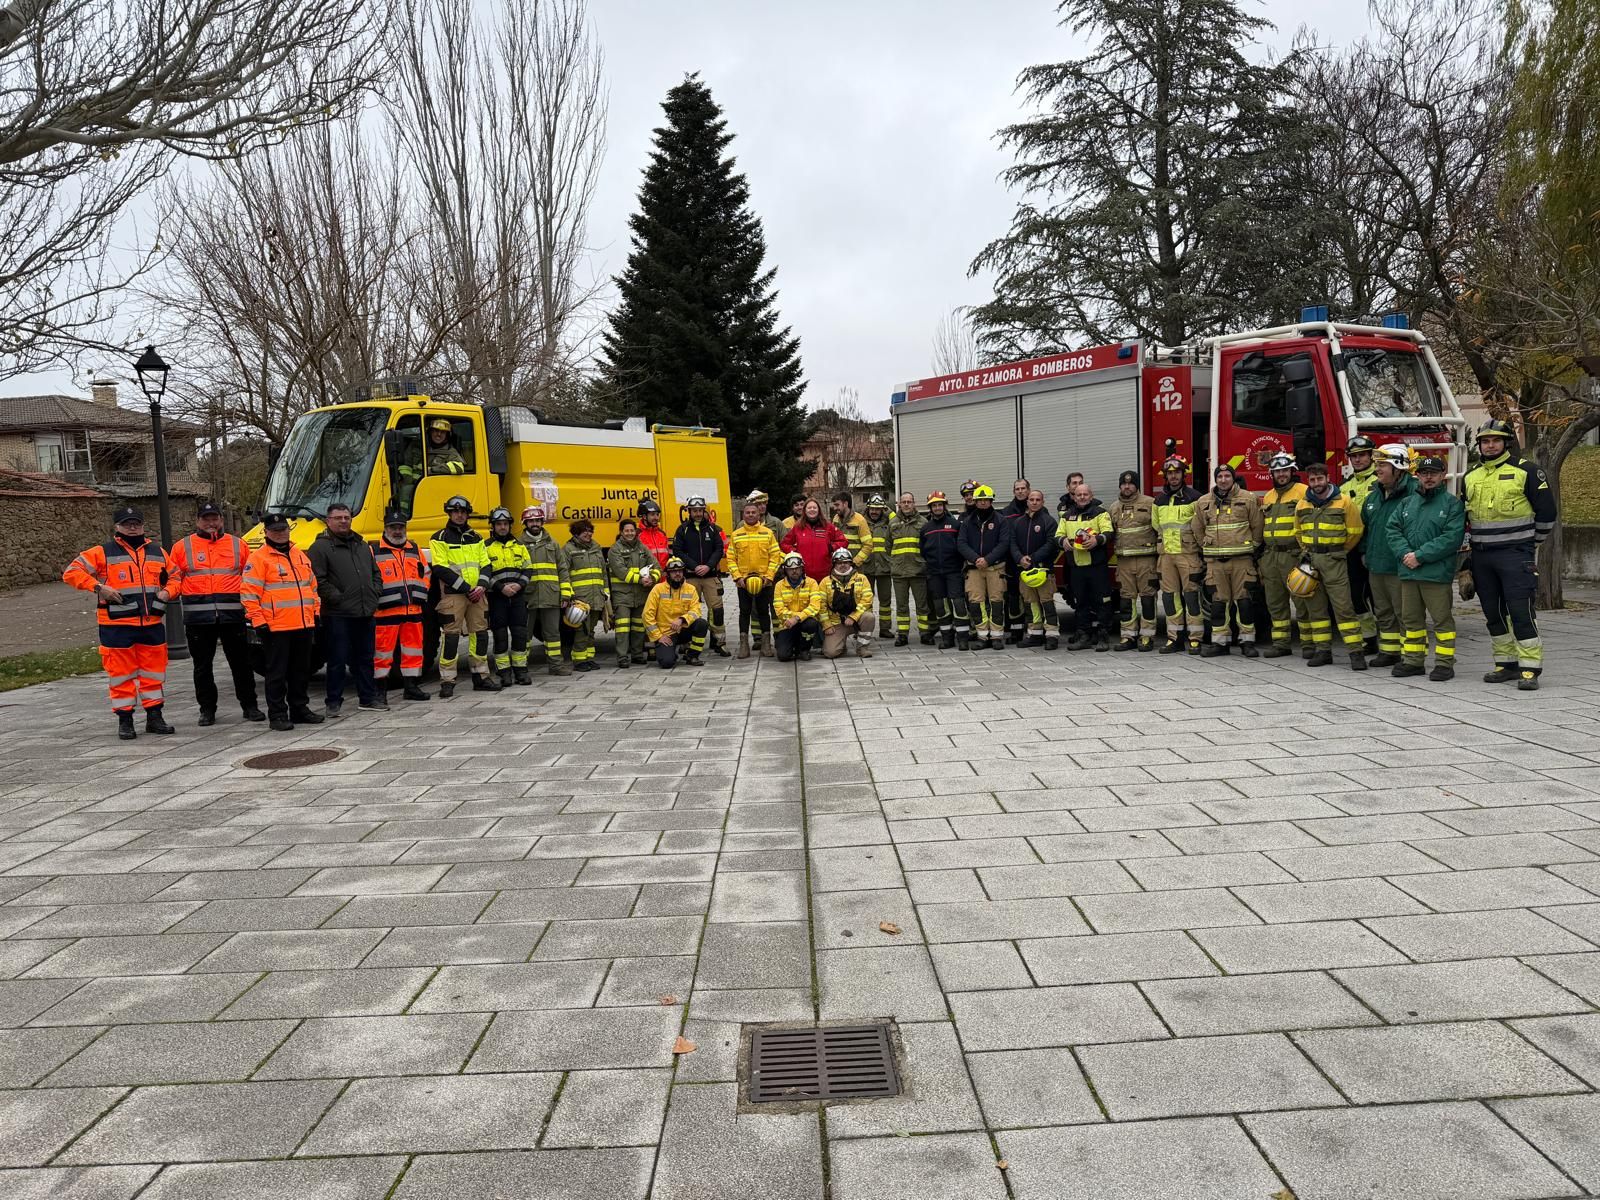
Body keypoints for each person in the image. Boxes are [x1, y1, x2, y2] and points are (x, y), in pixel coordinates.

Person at [63, 506, 178, 739]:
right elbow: (71, 572)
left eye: (136, 522)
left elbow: (176, 576)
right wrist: (98, 587)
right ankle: (125, 720)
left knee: (153, 674)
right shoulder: (101, 552)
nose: (132, 527)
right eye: (127, 523)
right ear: (117, 527)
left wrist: (169, 592)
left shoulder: (158, 552)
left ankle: (154, 717)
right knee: (121, 675)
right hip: (116, 625)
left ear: (143, 525)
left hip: (151, 623)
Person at [1463, 418, 1556, 690]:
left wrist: (1528, 543)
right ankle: (1506, 664)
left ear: (1506, 443)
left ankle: (1529, 667)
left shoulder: (1527, 471)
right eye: (1485, 441)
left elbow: (1547, 514)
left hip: (1516, 555)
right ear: (1479, 444)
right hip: (1482, 556)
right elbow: (1465, 520)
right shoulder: (1471, 476)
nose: (1490, 445)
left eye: (1495, 440)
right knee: (1493, 613)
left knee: (1520, 611)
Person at [166, 501, 262, 726]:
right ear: (198, 521)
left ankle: (250, 706)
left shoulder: (239, 545)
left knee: (241, 665)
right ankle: (207, 710)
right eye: (206, 518)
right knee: (202, 668)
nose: (211, 522)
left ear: (221, 519)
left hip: (233, 617)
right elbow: (173, 578)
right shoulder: (182, 547)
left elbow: (250, 578)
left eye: (215, 518)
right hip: (198, 619)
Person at [242, 511, 323, 732]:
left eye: (283, 529)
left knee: (301, 671)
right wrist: (258, 621)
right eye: (275, 531)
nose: (280, 534)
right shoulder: (258, 558)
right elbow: (249, 594)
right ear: (266, 532)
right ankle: (277, 714)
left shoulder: (298, 554)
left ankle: (299, 709)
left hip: (303, 624)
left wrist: (315, 611)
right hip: (275, 626)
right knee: (276, 674)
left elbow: (312, 586)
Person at [1388, 455, 1467, 681]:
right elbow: (1392, 530)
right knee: (1411, 620)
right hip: (1409, 571)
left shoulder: (1452, 504)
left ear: (1443, 476)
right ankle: (1413, 661)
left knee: (1442, 620)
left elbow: (1451, 538)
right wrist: (1406, 554)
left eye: (1434, 473)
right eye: (1424, 473)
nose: (1429, 477)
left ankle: (1444, 664)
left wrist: (1420, 556)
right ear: (1418, 476)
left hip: (1435, 574)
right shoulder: (1406, 503)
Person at [308, 501, 384, 715]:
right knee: (337, 660)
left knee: (366, 659)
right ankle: (333, 702)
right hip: (337, 614)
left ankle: (368, 698)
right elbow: (318, 580)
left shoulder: (361, 545)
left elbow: (375, 572)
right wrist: (338, 598)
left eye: (346, 517)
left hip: (364, 611)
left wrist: (374, 592)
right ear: (328, 520)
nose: (343, 521)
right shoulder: (320, 548)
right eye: (338, 518)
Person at [1293, 459, 1367, 671]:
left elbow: (1355, 530)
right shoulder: (1302, 504)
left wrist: (1340, 551)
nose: (1316, 483)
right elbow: (1298, 531)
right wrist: (1306, 551)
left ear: (1328, 479)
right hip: (1311, 561)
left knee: (1343, 608)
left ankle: (1356, 652)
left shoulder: (1344, 502)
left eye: (1320, 478)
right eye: (1313, 479)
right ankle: (1323, 651)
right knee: (1316, 609)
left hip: (1334, 560)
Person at [1191, 464, 1264, 657]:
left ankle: (1246, 642)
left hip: (1242, 561)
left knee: (1244, 602)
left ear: (1233, 478)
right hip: (1215, 563)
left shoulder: (1248, 499)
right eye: (1220, 476)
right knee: (1218, 603)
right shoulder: (1203, 502)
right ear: (1215, 479)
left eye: (1227, 476)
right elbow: (1197, 528)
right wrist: (1206, 546)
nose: (1223, 480)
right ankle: (1220, 644)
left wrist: (1252, 546)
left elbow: (1258, 526)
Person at [431, 495, 498, 698]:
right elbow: (440, 568)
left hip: (477, 594)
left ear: (467, 513)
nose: (460, 515)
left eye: (463, 512)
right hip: (454, 596)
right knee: (451, 638)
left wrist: (482, 586)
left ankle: (481, 677)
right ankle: (447, 680)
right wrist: (468, 588)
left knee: (480, 635)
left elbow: (486, 564)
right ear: (449, 513)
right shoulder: (439, 537)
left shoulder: (476, 537)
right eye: (456, 511)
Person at [1358, 445, 1417, 668]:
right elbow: (1366, 528)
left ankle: (1411, 656)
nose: (1377, 469)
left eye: (1382, 465)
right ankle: (1390, 652)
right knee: (1383, 612)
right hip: (1377, 564)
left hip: (1400, 565)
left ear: (1398, 466)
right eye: (1377, 465)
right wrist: (1364, 552)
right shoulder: (1374, 496)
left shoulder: (1414, 493)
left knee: (1405, 613)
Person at [372, 508, 431, 700]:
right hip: (386, 610)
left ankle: (411, 686)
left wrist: (421, 593)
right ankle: (380, 690)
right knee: (382, 653)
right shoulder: (373, 550)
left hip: (413, 609)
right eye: (393, 527)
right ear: (385, 529)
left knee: (413, 650)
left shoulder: (414, 549)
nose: (397, 531)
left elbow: (426, 573)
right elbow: (369, 578)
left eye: (400, 527)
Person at [1258, 452, 1309, 658]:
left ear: (1292, 471)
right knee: (1275, 602)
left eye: (1285, 470)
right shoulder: (1269, 495)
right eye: (1277, 471)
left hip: (1293, 554)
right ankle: (1281, 643)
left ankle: (1308, 644)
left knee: (1302, 601)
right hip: (1271, 556)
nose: (1281, 474)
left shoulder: (1303, 492)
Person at [1152, 457, 1204, 655]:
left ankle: (1195, 638)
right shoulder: (1159, 500)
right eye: (1170, 473)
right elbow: (1156, 525)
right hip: (1166, 557)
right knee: (1169, 598)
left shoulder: (1195, 497)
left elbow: (1200, 525)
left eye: (1177, 472)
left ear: (1184, 474)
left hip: (1188, 555)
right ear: (1166, 476)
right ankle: (1174, 638)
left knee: (1191, 598)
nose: (1173, 476)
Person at [1057, 481, 1115, 651]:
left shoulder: (1100, 513)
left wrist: (1097, 540)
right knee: (1080, 602)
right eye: (1078, 494)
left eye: (1085, 494)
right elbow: (1058, 535)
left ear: (1091, 495)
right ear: (1073, 497)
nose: (1082, 497)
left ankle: (1103, 636)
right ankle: (1084, 636)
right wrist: (1063, 541)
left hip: (1096, 566)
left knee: (1102, 601)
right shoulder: (1067, 516)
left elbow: (1108, 532)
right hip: (1076, 567)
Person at [671, 496, 730, 656]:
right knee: (687, 609)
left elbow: (719, 549)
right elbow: (677, 551)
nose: (697, 513)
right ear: (689, 511)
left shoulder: (712, 529)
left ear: (704, 510)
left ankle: (719, 642)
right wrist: (694, 566)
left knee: (717, 610)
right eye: (694, 511)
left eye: (700, 510)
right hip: (691, 577)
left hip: (710, 576)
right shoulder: (682, 529)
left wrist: (708, 566)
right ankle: (687, 642)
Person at [1108, 471, 1159, 651]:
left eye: (1131, 484)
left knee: (1147, 599)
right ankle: (1128, 636)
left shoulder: (1151, 503)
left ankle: (1147, 636)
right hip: (1124, 562)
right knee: (1126, 600)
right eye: (1124, 484)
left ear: (1137, 485)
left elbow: (1159, 530)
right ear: (1120, 486)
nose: (1127, 487)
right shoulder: (1114, 508)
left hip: (1147, 560)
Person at [484, 507, 534, 686]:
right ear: (493, 526)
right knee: (500, 636)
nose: (503, 527)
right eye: (499, 524)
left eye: (505, 524)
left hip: (518, 597)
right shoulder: (486, 547)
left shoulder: (520, 546)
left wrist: (519, 585)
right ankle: (504, 672)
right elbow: (483, 573)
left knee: (520, 633)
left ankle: (521, 671)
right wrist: (499, 588)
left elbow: (529, 569)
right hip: (497, 598)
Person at [519, 505, 571, 677]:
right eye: (531, 521)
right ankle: (521, 667)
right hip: (528, 596)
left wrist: (565, 593)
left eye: (537, 520)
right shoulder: (518, 545)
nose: (534, 524)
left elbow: (562, 569)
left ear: (542, 522)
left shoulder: (553, 544)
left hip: (551, 594)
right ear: (525, 523)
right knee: (524, 634)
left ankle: (556, 666)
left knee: (553, 633)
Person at [727, 500, 783, 659]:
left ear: (759, 514)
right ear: (743, 515)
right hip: (743, 582)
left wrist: (769, 576)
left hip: (764, 581)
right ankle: (744, 644)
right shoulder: (737, 535)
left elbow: (775, 556)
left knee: (764, 611)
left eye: (753, 512)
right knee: (744, 612)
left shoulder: (767, 533)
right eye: (747, 512)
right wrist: (737, 577)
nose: (751, 515)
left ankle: (766, 644)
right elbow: (731, 558)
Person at [1342, 436, 1381, 651]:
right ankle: (1369, 637)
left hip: (1375, 547)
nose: (1357, 460)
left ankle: (1390, 640)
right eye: (1353, 456)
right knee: (1356, 596)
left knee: (1379, 597)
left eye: (1362, 455)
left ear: (1370, 456)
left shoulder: (1380, 482)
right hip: (1352, 549)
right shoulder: (1344, 486)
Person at [959, 484, 1009, 647]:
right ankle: (982, 636)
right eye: (979, 500)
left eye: (985, 500)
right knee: (976, 602)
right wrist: (975, 559)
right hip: (974, 569)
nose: (982, 503)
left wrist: (987, 559)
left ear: (991, 501)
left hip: (995, 568)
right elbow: (961, 543)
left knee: (996, 601)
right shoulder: (967, 522)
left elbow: (1004, 543)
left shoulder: (1001, 520)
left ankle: (996, 636)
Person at [1010, 489, 1061, 648]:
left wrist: (1032, 558)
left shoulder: (1049, 521)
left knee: (1047, 604)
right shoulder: (1018, 522)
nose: (1034, 502)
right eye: (1031, 499)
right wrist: (1019, 558)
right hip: (1024, 571)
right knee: (1030, 604)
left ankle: (1052, 636)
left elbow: (1051, 544)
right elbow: (1012, 543)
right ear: (1027, 501)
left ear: (1042, 502)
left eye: (1038, 499)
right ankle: (1035, 635)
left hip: (1043, 570)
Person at [920, 491, 969, 649]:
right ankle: (947, 638)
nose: (937, 508)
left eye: (940, 504)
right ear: (930, 508)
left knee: (958, 604)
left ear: (944, 505)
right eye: (934, 505)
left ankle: (962, 638)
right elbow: (923, 551)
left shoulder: (955, 525)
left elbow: (962, 547)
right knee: (940, 606)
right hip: (935, 573)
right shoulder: (926, 528)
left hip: (953, 572)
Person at [607, 518, 658, 668]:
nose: (630, 533)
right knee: (622, 627)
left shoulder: (642, 548)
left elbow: (656, 566)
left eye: (632, 530)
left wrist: (652, 578)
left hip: (640, 595)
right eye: (626, 531)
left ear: (635, 532)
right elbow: (621, 572)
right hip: (622, 595)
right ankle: (622, 657)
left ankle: (636, 655)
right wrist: (641, 580)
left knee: (638, 626)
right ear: (621, 532)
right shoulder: (615, 550)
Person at [643, 555, 708, 668]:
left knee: (702, 624)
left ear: (683, 572)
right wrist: (658, 636)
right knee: (667, 663)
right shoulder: (658, 589)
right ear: (668, 574)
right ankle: (670, 652)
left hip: (682, 629)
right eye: (673, 572)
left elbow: (696, 611)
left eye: (680, 571)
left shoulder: (691, 589)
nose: (677, 574)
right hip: (665, 634)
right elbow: (647, 615)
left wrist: (681, 619)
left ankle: (692, 656)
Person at [563, 518, 608, 672]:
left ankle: (589, 658)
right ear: (576, 534)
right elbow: (564, 574)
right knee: (581, 630)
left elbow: (603, 572)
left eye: (590, 531)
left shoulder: (596, 547)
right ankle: (579, 660)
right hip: (580, 598)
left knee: (591, 630)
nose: (588, 534)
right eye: (585, 531)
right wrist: (568, 595)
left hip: (596, 596)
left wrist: (605, 590)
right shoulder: (568, 549)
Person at [888, 492, 932, 646]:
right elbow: (888, 546)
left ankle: (925, 633)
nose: (906, 504)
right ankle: (903, 634)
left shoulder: (923, 522)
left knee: (922, 605)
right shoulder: (892, 523)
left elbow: (928, 546)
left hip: (918, 571)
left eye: (909, 502)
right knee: (901, 606)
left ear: (914, 504)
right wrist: (894, 563)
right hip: (899, 572)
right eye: (903, 502)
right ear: (899, 504)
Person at [819, 546, 876, 658]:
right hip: (836, 623)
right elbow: (821, 606)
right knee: (830, 653)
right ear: (834, 564)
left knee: (869, 617)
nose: (842, 565)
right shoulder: (825, 582)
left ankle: (862, 648)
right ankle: (841, 645)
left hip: (857, 620)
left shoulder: (862, 578)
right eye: (839, 562)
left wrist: (853, 616)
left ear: (851, 563)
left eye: (846, 562)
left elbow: (867, 600)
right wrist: (827, 625)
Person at [772, 552, 822, 661]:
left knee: (811, 624)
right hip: (787, 624)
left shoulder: (812, 583)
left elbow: (815, 606)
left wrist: (797, 618)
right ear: (785, 570)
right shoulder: (779, 586)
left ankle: (804, 649)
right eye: (791, 569)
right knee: (783, 656)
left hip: (804, 622)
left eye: (797, 568)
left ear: (802, 568)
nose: (794, 571)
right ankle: (790, 644)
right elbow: (780, 611)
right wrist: (794, 619)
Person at [1000, 479, 1033, 643]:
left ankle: (1034, 630)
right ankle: (1016, 631)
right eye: (1017, 489)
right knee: (1013, 597)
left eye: (1023, 488)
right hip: (1013, 563)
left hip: (1032, 562)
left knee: (1033, 598)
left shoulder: (1038, 509)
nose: (1020, 491)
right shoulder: (1006, 513)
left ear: (1029, 490)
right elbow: (1005, 540)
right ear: (1013, 492)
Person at [782, 497, 846, 581]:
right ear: (805, 511)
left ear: (819, 510)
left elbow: (843, 541)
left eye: (814, 507)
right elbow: (784, 544)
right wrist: (795, 552)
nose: (812, 510)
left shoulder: (828, 526)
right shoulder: (798, 527)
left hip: (825, 574)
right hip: (804, 574)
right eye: (809, 508)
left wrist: (831, 547)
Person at [863, 494, 895, 639]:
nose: (874, 512)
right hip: (866, 568)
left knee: (885, 601)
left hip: (884, 567)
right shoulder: (862, 522)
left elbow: (897, 521)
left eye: (878, 509)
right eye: (872, 509)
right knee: (865, 601)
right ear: (868, 509)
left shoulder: (889, 523)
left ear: (883, 509)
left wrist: (889, 511)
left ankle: (885, 629)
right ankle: (864, 629)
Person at [637, 500, 671, 568]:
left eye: (657, 514)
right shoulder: (637, 535)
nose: (656, 518)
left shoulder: (662, 534)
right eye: (652, 514)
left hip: (663, 576)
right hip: (648, 576)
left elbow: (667, 556)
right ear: (644, 516)